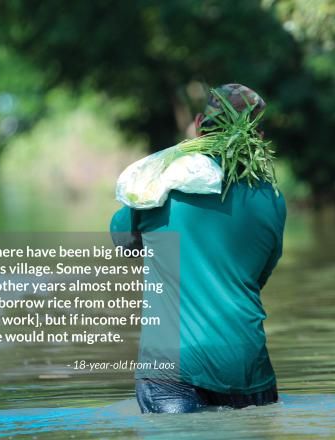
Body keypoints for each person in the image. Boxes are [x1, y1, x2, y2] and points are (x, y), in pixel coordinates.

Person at [110, 84, 287, 413]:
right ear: (259, 135)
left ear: (199, 122)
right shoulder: (273, 199)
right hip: (248, 367)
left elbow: (122, 241)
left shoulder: (162, 189)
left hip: (173, 370)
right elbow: (257, 276)